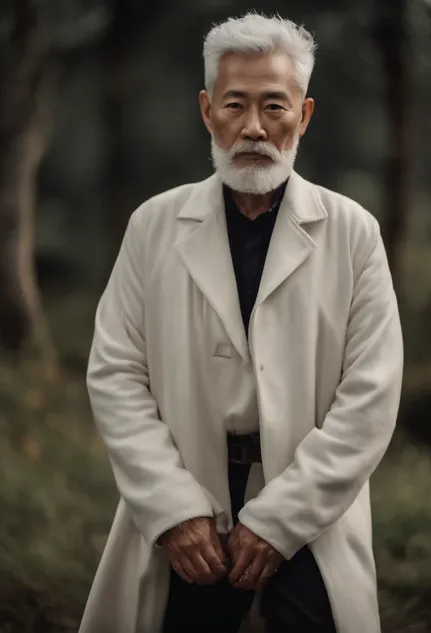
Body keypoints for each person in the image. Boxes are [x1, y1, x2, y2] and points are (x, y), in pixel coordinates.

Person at [79, 12, 403, 633]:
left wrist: (279, 520)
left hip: (311, 502)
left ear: (304, 116)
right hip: (186, 493)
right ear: (207, 111)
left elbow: (371, 395)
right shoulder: (154, 225)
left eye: (275, 107)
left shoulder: (354, 233)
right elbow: (116, 372)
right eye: (235, 105)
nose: (253, 128)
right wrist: (172, 509)